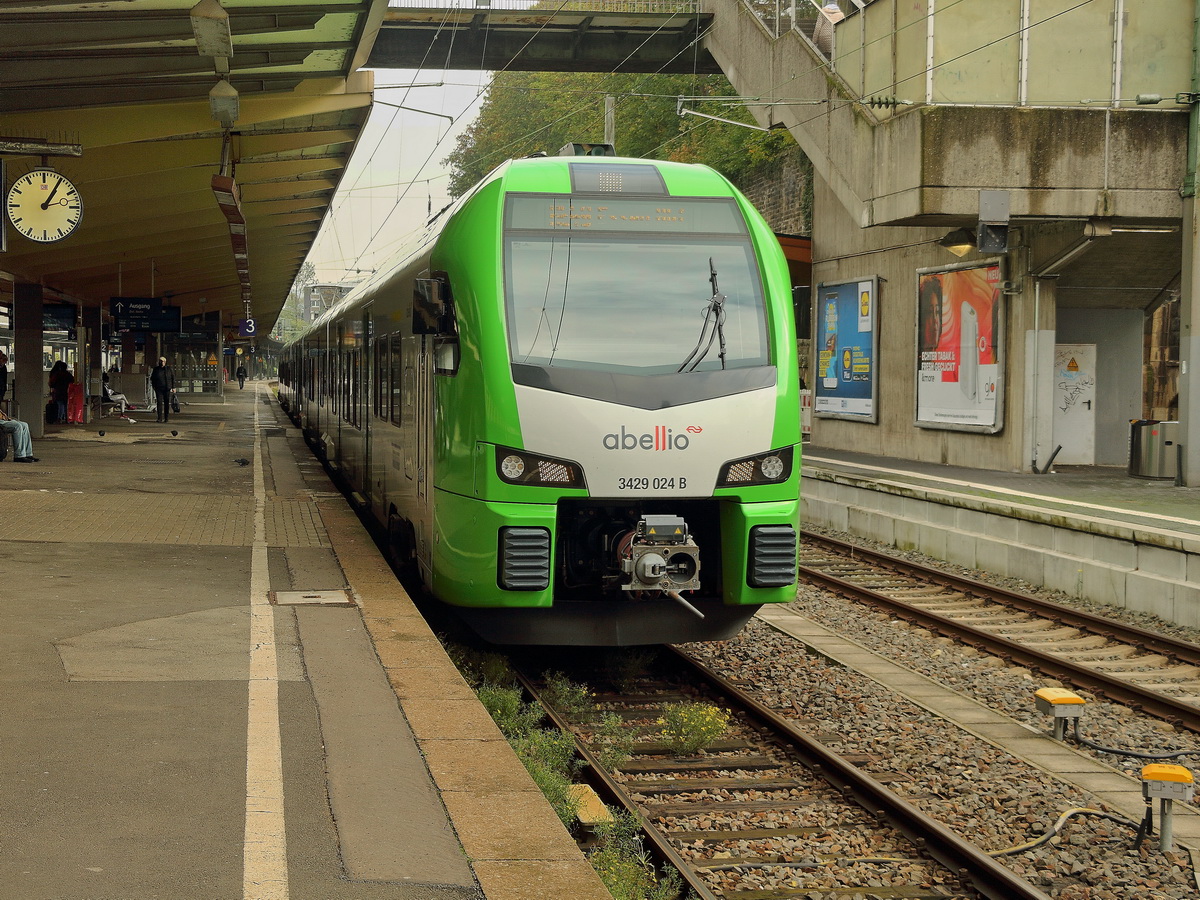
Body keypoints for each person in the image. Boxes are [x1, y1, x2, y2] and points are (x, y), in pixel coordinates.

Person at [149, 356, 176, 423]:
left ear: (165, 362)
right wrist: (154, 386)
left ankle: (166, 418)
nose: (162, 362)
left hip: (167, 388)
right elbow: (152, 378)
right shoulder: (156, 369)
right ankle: (159, 418)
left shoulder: (168, 369)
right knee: (159, 403)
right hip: (159, 388)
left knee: (166, 403)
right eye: (160, 361)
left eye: (163, 361)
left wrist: (173, 387)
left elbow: (173, 378)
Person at [48, 360, 73, 424]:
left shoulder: (57, 374)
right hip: (67, 391)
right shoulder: (68, 374)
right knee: (66, 405)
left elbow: (52, 383)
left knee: (60, 405)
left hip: (58, 391)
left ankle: (59, 418)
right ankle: (67, 419)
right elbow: (72, 381)